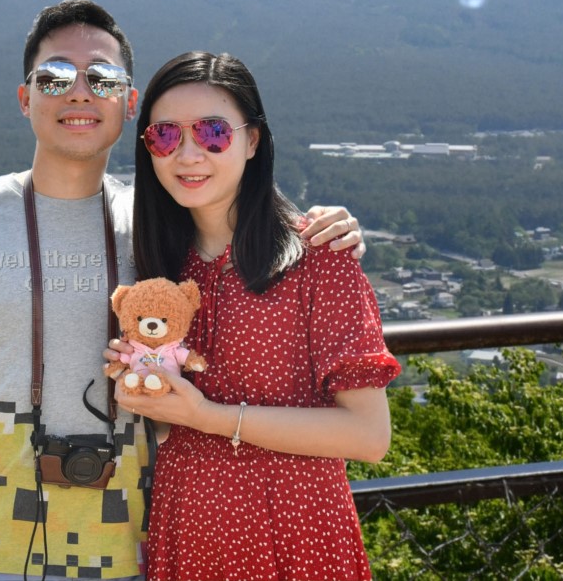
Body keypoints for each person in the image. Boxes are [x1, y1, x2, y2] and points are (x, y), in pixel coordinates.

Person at [0, 0, 366, 581]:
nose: (80, 92)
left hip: (141, 552)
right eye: (55, 76)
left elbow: (236, 198)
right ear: (24, 97)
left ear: (128, 102)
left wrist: (326, 228)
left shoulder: (169, 223)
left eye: (103, 77)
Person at [113, 50, 398, 581]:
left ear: (252, 141)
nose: (189, 154)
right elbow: (168, 424)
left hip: (294, 532)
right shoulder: (159, 270)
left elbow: (368, 435)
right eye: (165, 136)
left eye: (213, 133)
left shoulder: (319, 259)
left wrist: (210, 418)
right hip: (188, 528)